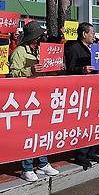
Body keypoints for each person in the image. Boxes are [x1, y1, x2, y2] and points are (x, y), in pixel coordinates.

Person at [9, 21, 60, 181]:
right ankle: (27, 167)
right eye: (39, 35)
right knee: (29, 133)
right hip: (26, 98)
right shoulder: (19, 51)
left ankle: (43, 163)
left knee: (43, 130)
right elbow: (12, 74)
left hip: (42, 96)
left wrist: (56, 68)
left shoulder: (41, 50)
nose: (42, 37)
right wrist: (29, 70)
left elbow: (47, 73)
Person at [64, 22, 99, 169]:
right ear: (84, 34)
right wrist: (82, 69)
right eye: (92, 33)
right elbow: (68, 70)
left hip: (95, 90)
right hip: (80, 92)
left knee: (95, 123)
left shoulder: (94, 48)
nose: (94, 36)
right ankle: (81, 154)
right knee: (83, 124)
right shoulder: (73, 48)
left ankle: (92, 151)